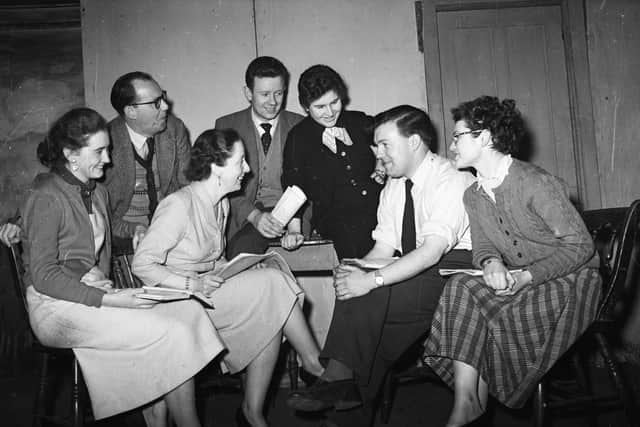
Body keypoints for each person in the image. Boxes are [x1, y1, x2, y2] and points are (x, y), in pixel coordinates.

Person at [21, 108, 222, 426]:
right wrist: (110, 297)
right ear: (70, 154)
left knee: (187, 311)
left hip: (92, 292)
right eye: (99, 151)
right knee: (173, 333)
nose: (108, 159)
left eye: (108, 149)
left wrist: (136, 230)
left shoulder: (96, 190)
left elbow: (103, 226)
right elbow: (45, 276)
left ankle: (155, 405)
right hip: (55, 307)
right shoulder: (46, 194)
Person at [287, 105, 476, 427]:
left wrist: (371, 280)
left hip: (455, 279)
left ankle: (336, 379)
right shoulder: (394, 186)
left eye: (385, 144)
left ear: (414, 142)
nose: (378, 154)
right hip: (414, 276)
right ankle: (343, 394)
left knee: (370, 294)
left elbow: (431, 253)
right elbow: (383, 249)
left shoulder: (452, 179)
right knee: (369, 340)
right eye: (376, 146)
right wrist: (354, 270)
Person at [422, 96, 602, 426]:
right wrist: (491, 262)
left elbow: (580, 248)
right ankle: (466, 401)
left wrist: (525, 277)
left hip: (573, 281)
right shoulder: (473, 195)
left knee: (486, 316)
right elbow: (483, 245)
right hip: (527, 279)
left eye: (458, 136)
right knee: (461, 284)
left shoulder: (533, 182)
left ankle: (478, 397)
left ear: (486, 137)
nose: (451, 145)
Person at [132, 128, 325, 427]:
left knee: (270, 305)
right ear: (216, 168)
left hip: (204, 294)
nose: (247, 170)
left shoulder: (220, 203)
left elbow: (211, 259)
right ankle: (314, 364)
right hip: (176, 301)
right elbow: (142, 265)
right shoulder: (179, 205)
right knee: (273, 285)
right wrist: (192, 284)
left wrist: (243, 269)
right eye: (240, 162)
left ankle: (253, 413)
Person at [281, 64, 383, 259]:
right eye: (319, 107)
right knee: (355, 245)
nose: (329, 112)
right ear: (305, 107)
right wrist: (294, 229)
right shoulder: (298, 137)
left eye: (334, 102)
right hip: (336, 216)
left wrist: (380, 168)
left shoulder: (357, 120)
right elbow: (294, 184)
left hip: (377, 204)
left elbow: (391, 133)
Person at [214, 56, 303, 258]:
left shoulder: (300, 125)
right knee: (241, 252)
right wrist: (254, 216)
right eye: (264, 94)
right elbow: (222, 187)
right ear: (248, 93)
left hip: (294, 216)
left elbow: (309, 183)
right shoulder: (226, 126)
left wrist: (293, 225)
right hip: (246, 216)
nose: (273, 102)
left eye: (279, 93)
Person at [105, 71, 191, 251]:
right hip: (124, 237)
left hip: (169, 229)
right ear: (131, 111)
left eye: (163, 98)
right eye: (156, 103)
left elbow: (187, 186)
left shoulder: (174, 129)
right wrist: (134, 230)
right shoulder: (106, 142)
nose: (166, 107)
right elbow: (102, 213)